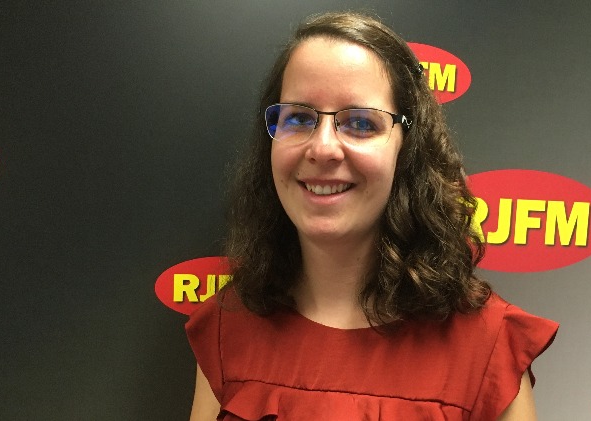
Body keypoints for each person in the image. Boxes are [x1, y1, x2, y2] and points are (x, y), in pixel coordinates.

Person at [186, 11, 558, 421]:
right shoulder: (227, 326)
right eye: (299, 118)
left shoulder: (487, 349)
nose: (323, 148)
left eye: (361, 123)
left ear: (407, 148)